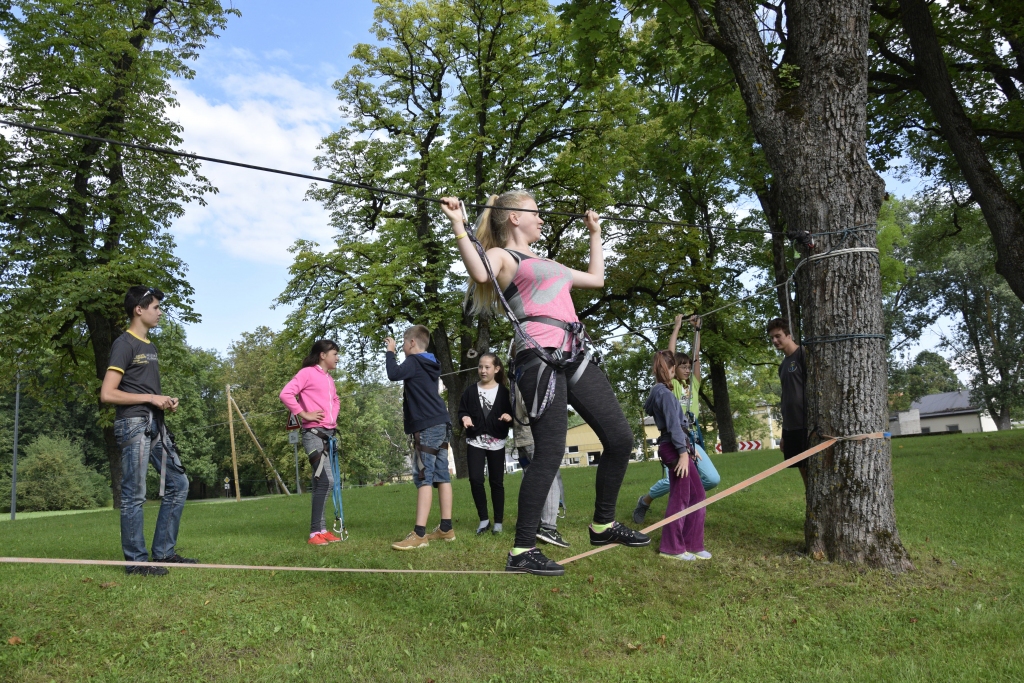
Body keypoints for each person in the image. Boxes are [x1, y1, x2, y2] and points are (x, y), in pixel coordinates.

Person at [444, 191, 650, 576]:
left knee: (620, 439)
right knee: (550, 452)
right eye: (535, 213)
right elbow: (479, 272)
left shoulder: (549, 262)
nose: (542, 219)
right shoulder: (506, 256)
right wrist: (459, 225)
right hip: (538, 356)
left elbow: (597, 278)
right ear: (513, 219)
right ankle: (522, 550)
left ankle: (603, 526)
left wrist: (595, 234)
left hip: (574, 352)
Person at [99, 286, 194, 576]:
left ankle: (164, 553)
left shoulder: (150, 347)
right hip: (133, 425)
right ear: (138, 310)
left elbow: (143, 390)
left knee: (179, 484)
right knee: (134, 494)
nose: (160, 311)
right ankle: (137, 562)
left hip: (154, 424)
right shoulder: (124, 344)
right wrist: (151, 398)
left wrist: (163, 401)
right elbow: (108, 394)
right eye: (155, 306)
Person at [633, 314, 719, 524]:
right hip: (674, 439)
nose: (687, 369)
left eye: (689, 366)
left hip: (692, 438)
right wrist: (677, 327)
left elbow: (695, 355)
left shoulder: (694, 384)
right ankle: (645, 500)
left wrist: (697, 330)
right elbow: (669, 355)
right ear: (672, 369)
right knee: (671, 480)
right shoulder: (672, 386)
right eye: (683, 366)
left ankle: (684, 501)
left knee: (712, 479)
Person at [386, 325, 455, 550]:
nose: (403, 346)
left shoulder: (414, 361)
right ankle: (446, 528)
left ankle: (419, 534)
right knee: (442, 474)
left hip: (426, 425)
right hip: (442, 422)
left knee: (424, 476)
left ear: (412, 343)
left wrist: (390, 351)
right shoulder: (431, 362)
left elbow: (393, 374)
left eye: (404, 342)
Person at [644, 350, 710, 561]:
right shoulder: (664, 393)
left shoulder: (661, 391)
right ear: (671, 369)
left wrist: (690, 450)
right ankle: (671, 548)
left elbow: (677, 427)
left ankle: (692, 543)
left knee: (697, 496)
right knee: (680, 498)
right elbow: (673, 426)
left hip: (678, 446)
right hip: (674, 448)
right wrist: (683, 453)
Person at [279, 340, 343, 546]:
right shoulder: (307, 373)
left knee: (324, 482)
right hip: (313, 435)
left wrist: (333, 418)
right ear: (323, 355)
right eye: (334, 353)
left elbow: (336, 399)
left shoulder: (329, 379)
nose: (337, 358)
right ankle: (314, 533)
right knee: (325, 481)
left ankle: (321, 530)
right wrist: (303, 413)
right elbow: (285, 393)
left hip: (328, 434)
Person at [458, 352, 513, 535]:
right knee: (475, 479)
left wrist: (509, 417)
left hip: (497, 441)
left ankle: (498, 522)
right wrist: (464, 417)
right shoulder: (470, 391)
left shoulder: (505, 393)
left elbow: (513, 415)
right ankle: (484, 519)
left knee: (497, 482)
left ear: (496, 369)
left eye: (487, 367)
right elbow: (462, 411)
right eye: (480, 366)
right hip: (475, 441)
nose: (483, 370)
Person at [513, 384, 569, 548]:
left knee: (531, 478)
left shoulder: (518, 371)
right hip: (534, 435)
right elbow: (531, 405)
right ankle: (548, 527)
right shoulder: (535, 368)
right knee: (548, 476)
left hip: (522, 437)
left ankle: (531, 526)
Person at [768, 318, 808, 490]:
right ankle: (810, 497)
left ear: (789, 335)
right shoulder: (783, 365)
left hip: (806, 423)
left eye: (778, 336)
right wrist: (784, 433)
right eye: (772, 338)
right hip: (791, 425)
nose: (775, 341)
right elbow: (786, 397)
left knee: (811, 464)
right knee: (801, 465)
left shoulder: (803, 354)